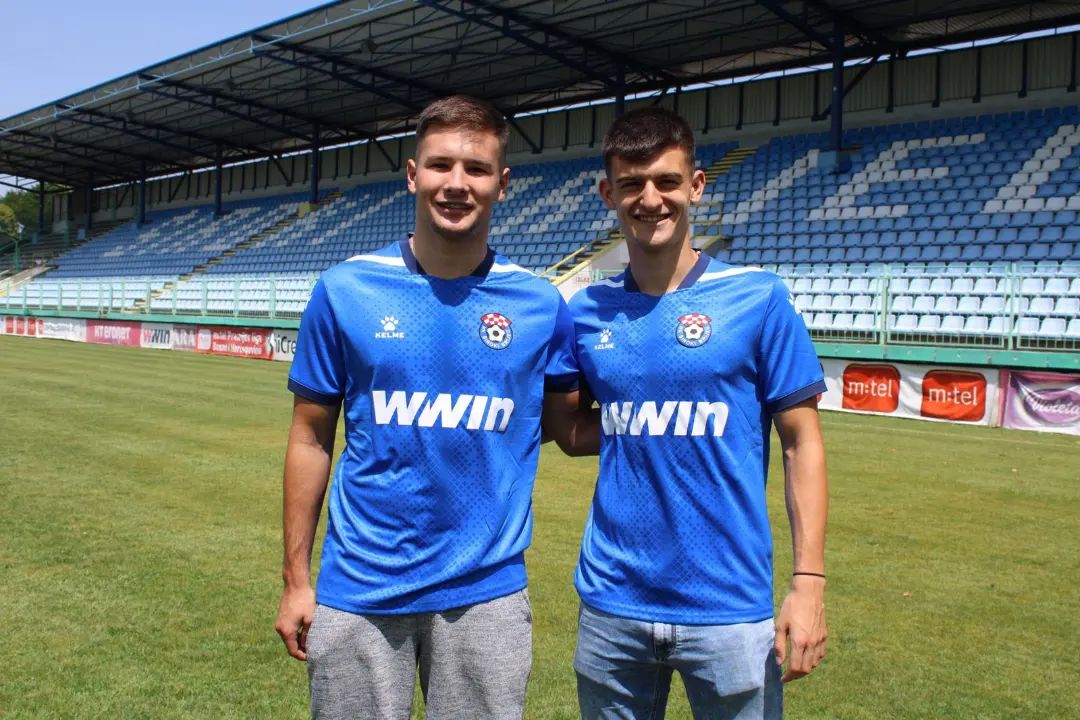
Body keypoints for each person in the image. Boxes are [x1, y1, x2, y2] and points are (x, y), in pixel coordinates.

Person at [274, 95, 592, 720]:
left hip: (486, 595)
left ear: (503, 184)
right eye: (441, 164)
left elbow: (568, 424)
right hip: (361, 589)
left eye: (476, 169)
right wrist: (296, 580)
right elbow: (310, 438)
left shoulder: (539, 306)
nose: (456, 183)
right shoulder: (344, 290)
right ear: (413, 174)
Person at [567, 107, 830, 719]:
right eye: (631, 184)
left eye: (666, 180)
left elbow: (801, 444)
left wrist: (809, 583)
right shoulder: (583, 313)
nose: (650, 199)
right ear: (608, 193)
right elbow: (571, 428)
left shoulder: (759, 298)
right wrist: (641, 426)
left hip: (729, 608)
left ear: (697, 185)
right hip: (612, 603)